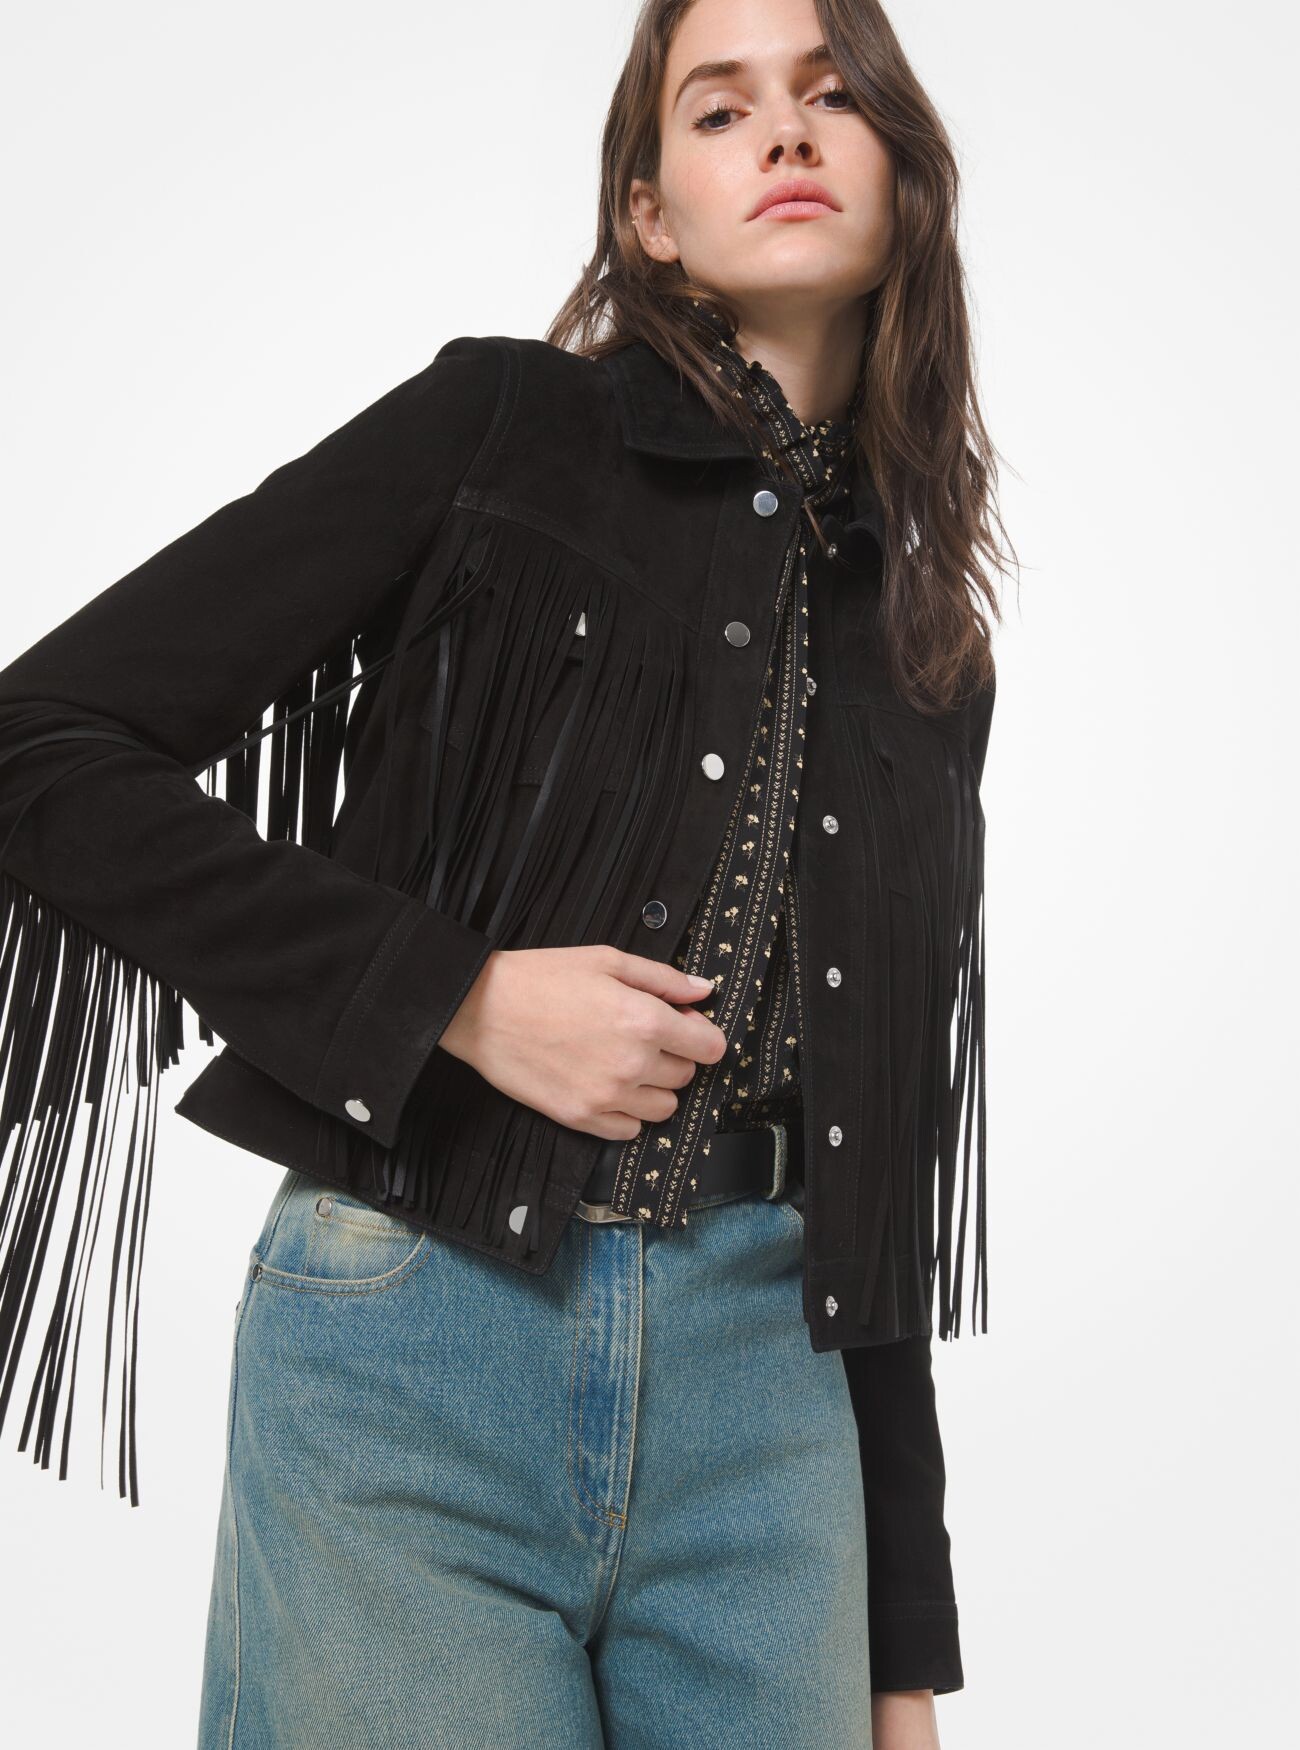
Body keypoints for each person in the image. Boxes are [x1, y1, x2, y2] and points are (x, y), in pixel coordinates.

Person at [0, 1, 1010, 1744]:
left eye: (833, 94)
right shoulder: (499, 428)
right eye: (720, 109)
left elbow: (880, 1157)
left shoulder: (930, 650)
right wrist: (454, 997)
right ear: (650, 214)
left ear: (906, 176)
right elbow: (45, 743)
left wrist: (901, 1652)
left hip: (776, 1422)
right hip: (416, 1343)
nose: (784, 131)